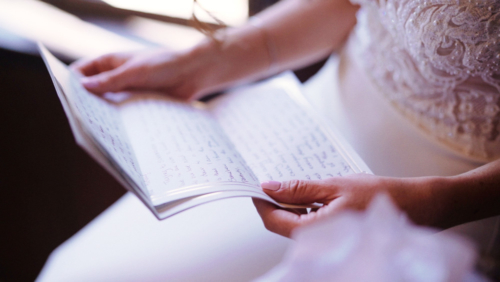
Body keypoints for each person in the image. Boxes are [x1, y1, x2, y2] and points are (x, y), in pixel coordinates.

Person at [73, 0, 500, 264]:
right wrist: (202, 63)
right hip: (304, 122)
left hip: (450, 203)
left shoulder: (443, 204)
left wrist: (439, 200)